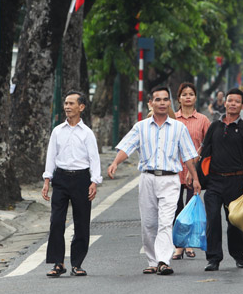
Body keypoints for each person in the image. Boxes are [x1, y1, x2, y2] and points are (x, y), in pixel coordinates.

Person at [108, 85, 201, 276]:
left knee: (166, 221)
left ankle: (163, 261)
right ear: (150, 103)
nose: (162, 103)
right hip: (148, 178)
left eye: (165, 100)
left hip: (170, 179)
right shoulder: (141, 127)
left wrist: (196, 178)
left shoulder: (178, 128)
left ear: (169, 103)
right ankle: (152, 260)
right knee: (149, 223)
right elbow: (127, 147)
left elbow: (188, 155)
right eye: (157, 100)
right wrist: (115, 162)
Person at [42, 91, 101, 277]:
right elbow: (51, 156)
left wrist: (94, 181)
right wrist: (47, 180)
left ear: (81, 107)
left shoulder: (87, 133)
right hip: (60, 179)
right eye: (66, 103)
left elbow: (94, 158)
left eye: (71, 103)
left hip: (81, 179)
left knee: (82, 222)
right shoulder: (57, 131)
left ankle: (77, 263)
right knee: (56, 221)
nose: (67, 106)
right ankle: (58, 263)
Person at [203, 88, 243, 271]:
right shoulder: (214, 127)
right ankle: (213, 258)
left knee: (234, 221)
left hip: (236, 181)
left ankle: (238, 254)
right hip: (214, 181)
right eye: (230, 100)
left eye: (237, 101)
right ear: (224, 103)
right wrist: (193, 174)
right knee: (212, 220)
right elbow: (204, 152)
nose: (233, 104)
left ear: (242, 106)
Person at [172, 82, 210, 260]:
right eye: (184, 94)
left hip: (193, 172)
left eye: (191, 94)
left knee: (190, 207)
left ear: (195, 97)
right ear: (179, 98)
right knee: (175, 208)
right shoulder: (172, 119)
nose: (188, 97)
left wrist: (193, 168)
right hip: (173, 170)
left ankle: (188, 245)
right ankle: (178, 245)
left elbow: (207, 144)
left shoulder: (203, 120)